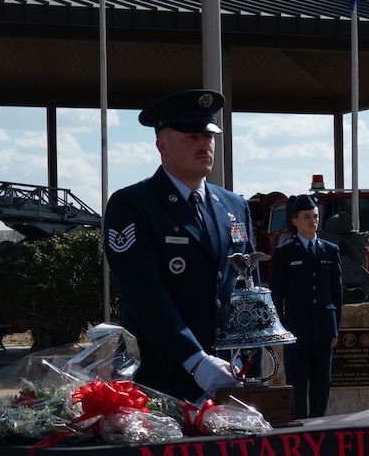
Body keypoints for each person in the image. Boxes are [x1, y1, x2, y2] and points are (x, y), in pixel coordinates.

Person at [103, 88, 254, 402]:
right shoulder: (133, 205)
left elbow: (246, 289)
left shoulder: (233, 206)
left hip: (229, 376)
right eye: (191, 136)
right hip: (160, 381)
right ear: (162, 145)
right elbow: (145, 294)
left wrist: (248, 358)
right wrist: (195, 360)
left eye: (208, 136)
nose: (204, 144)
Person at [269, 194, 344, 418]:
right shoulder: (284, 252)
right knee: (298, 383)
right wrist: (281, 327)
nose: (313, 221)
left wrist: (335, 328)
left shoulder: (330, 251)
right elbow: (277, 293)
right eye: (306, 217)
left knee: (321, 384)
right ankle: (301, 425)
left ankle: (320, 425)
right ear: (295, 221)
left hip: (323, 328)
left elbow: (336, 293)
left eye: (315, 216)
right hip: (296, 328)